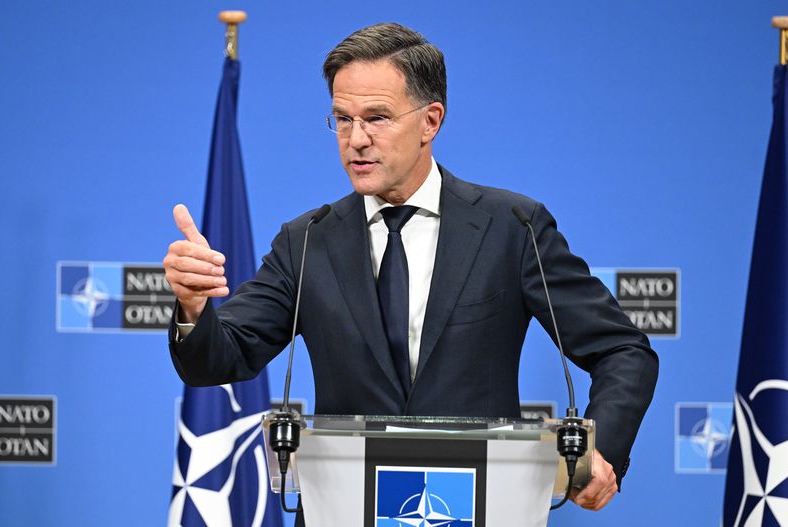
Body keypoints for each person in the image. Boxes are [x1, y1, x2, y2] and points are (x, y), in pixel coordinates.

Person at [164, 22, 658, 513]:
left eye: (376, 118)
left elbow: (621, 349)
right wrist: (192, 305)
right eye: (342, 118)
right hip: (344, 512)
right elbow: (218, 358)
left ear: (430, 121)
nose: (355, 139)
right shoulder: (308, 240)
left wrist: (600, 450)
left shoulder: (512, 227)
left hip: (478, 508)